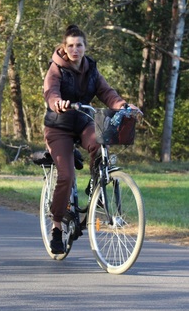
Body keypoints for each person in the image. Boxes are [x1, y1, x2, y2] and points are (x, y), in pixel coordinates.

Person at [43, 25, 139, 254]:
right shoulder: (56, 69)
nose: (75, 49)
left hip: (84, 121)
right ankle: (57, 227)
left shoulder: (92, 70)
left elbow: (107, 94)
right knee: (66, 175)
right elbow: (50, 92)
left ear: (85, 47)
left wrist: (125, 107)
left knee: (100, 142)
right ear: (64, 48)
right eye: (71, 45)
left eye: (79, 45)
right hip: (59, 127)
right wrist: (59, 103)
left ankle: (96, 182)